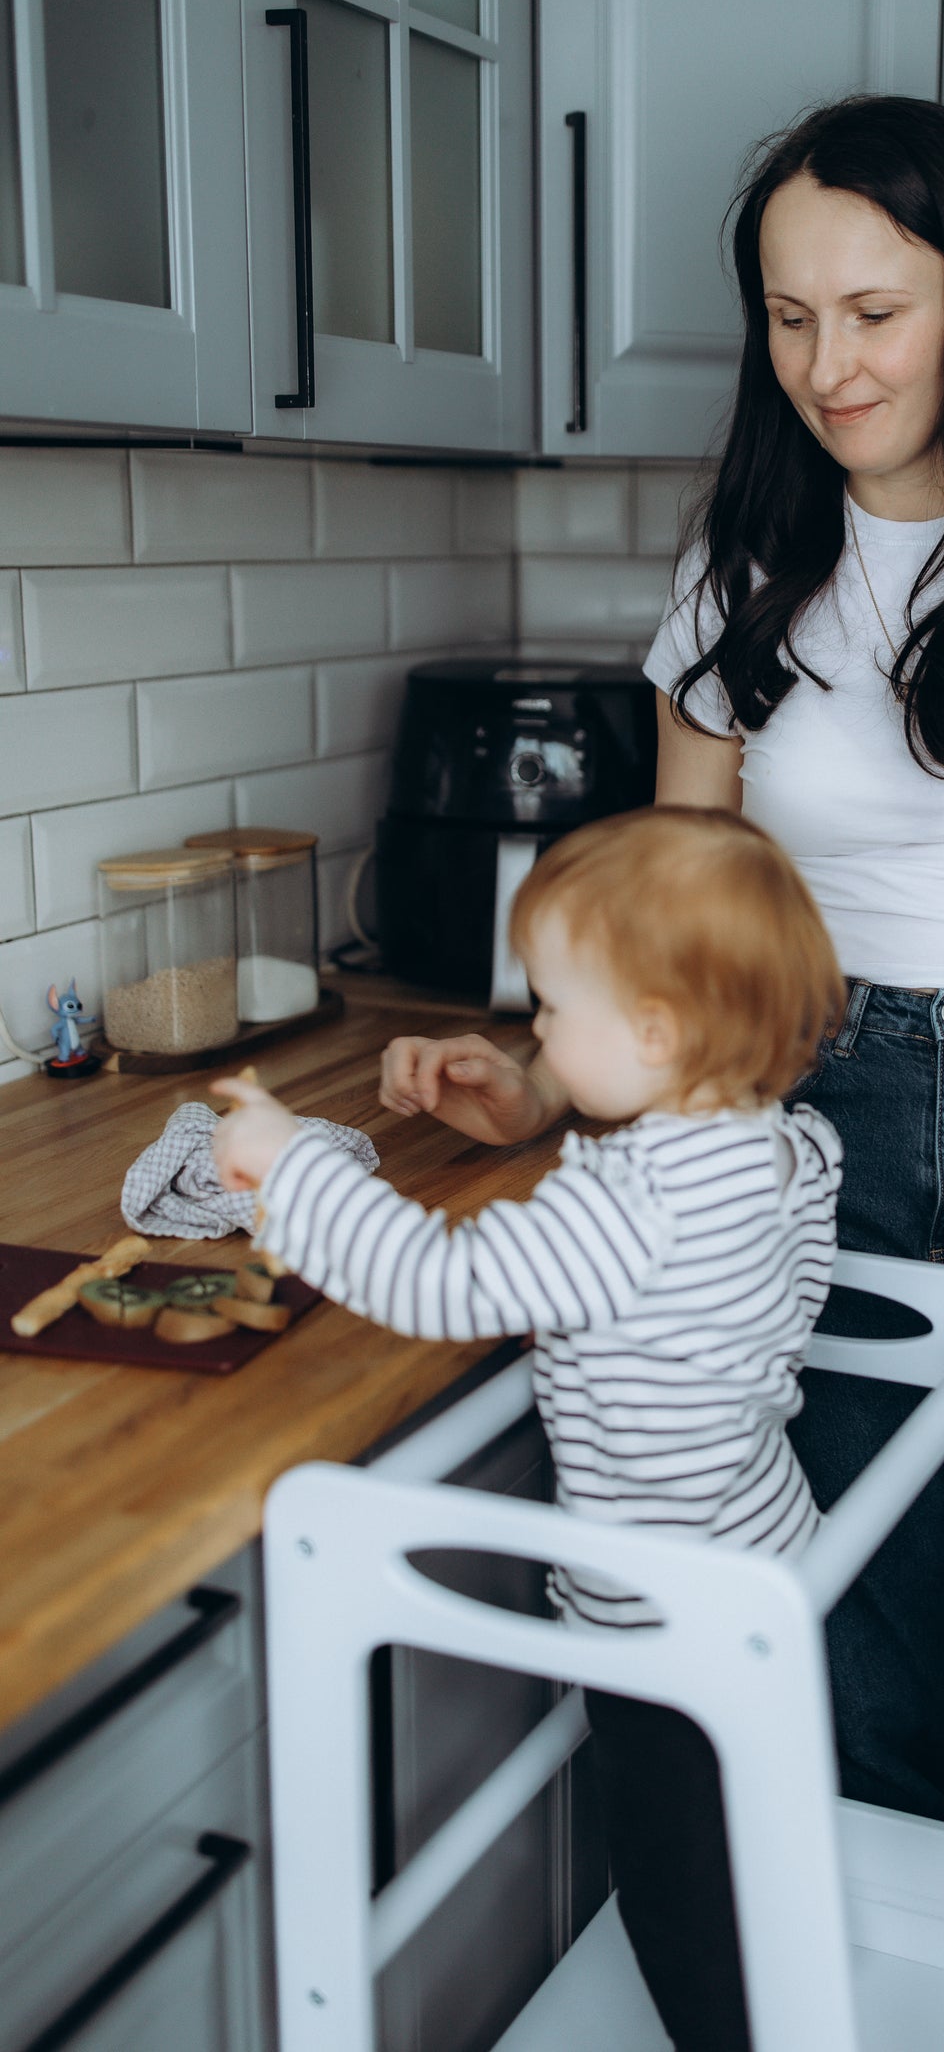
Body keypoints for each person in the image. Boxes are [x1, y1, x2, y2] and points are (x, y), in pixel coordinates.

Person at [383, 95, 944, 2051]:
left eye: (871, 309)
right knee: (828, 1678)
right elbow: (682, 929)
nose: (828, 366)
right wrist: (541, 1088)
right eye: (786, 319)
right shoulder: (746, 564)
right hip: (794, 1141)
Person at [212, 805, 845, 2052]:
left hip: (660, 1608)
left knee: (682, 1896)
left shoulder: (635, 1197)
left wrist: (289, 1164)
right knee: (749, 1852)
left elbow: (440, 1283)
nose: (537, 1033)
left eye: (553, 1010)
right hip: (760, 1555)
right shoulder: (781, 1146)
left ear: (655, 1033)